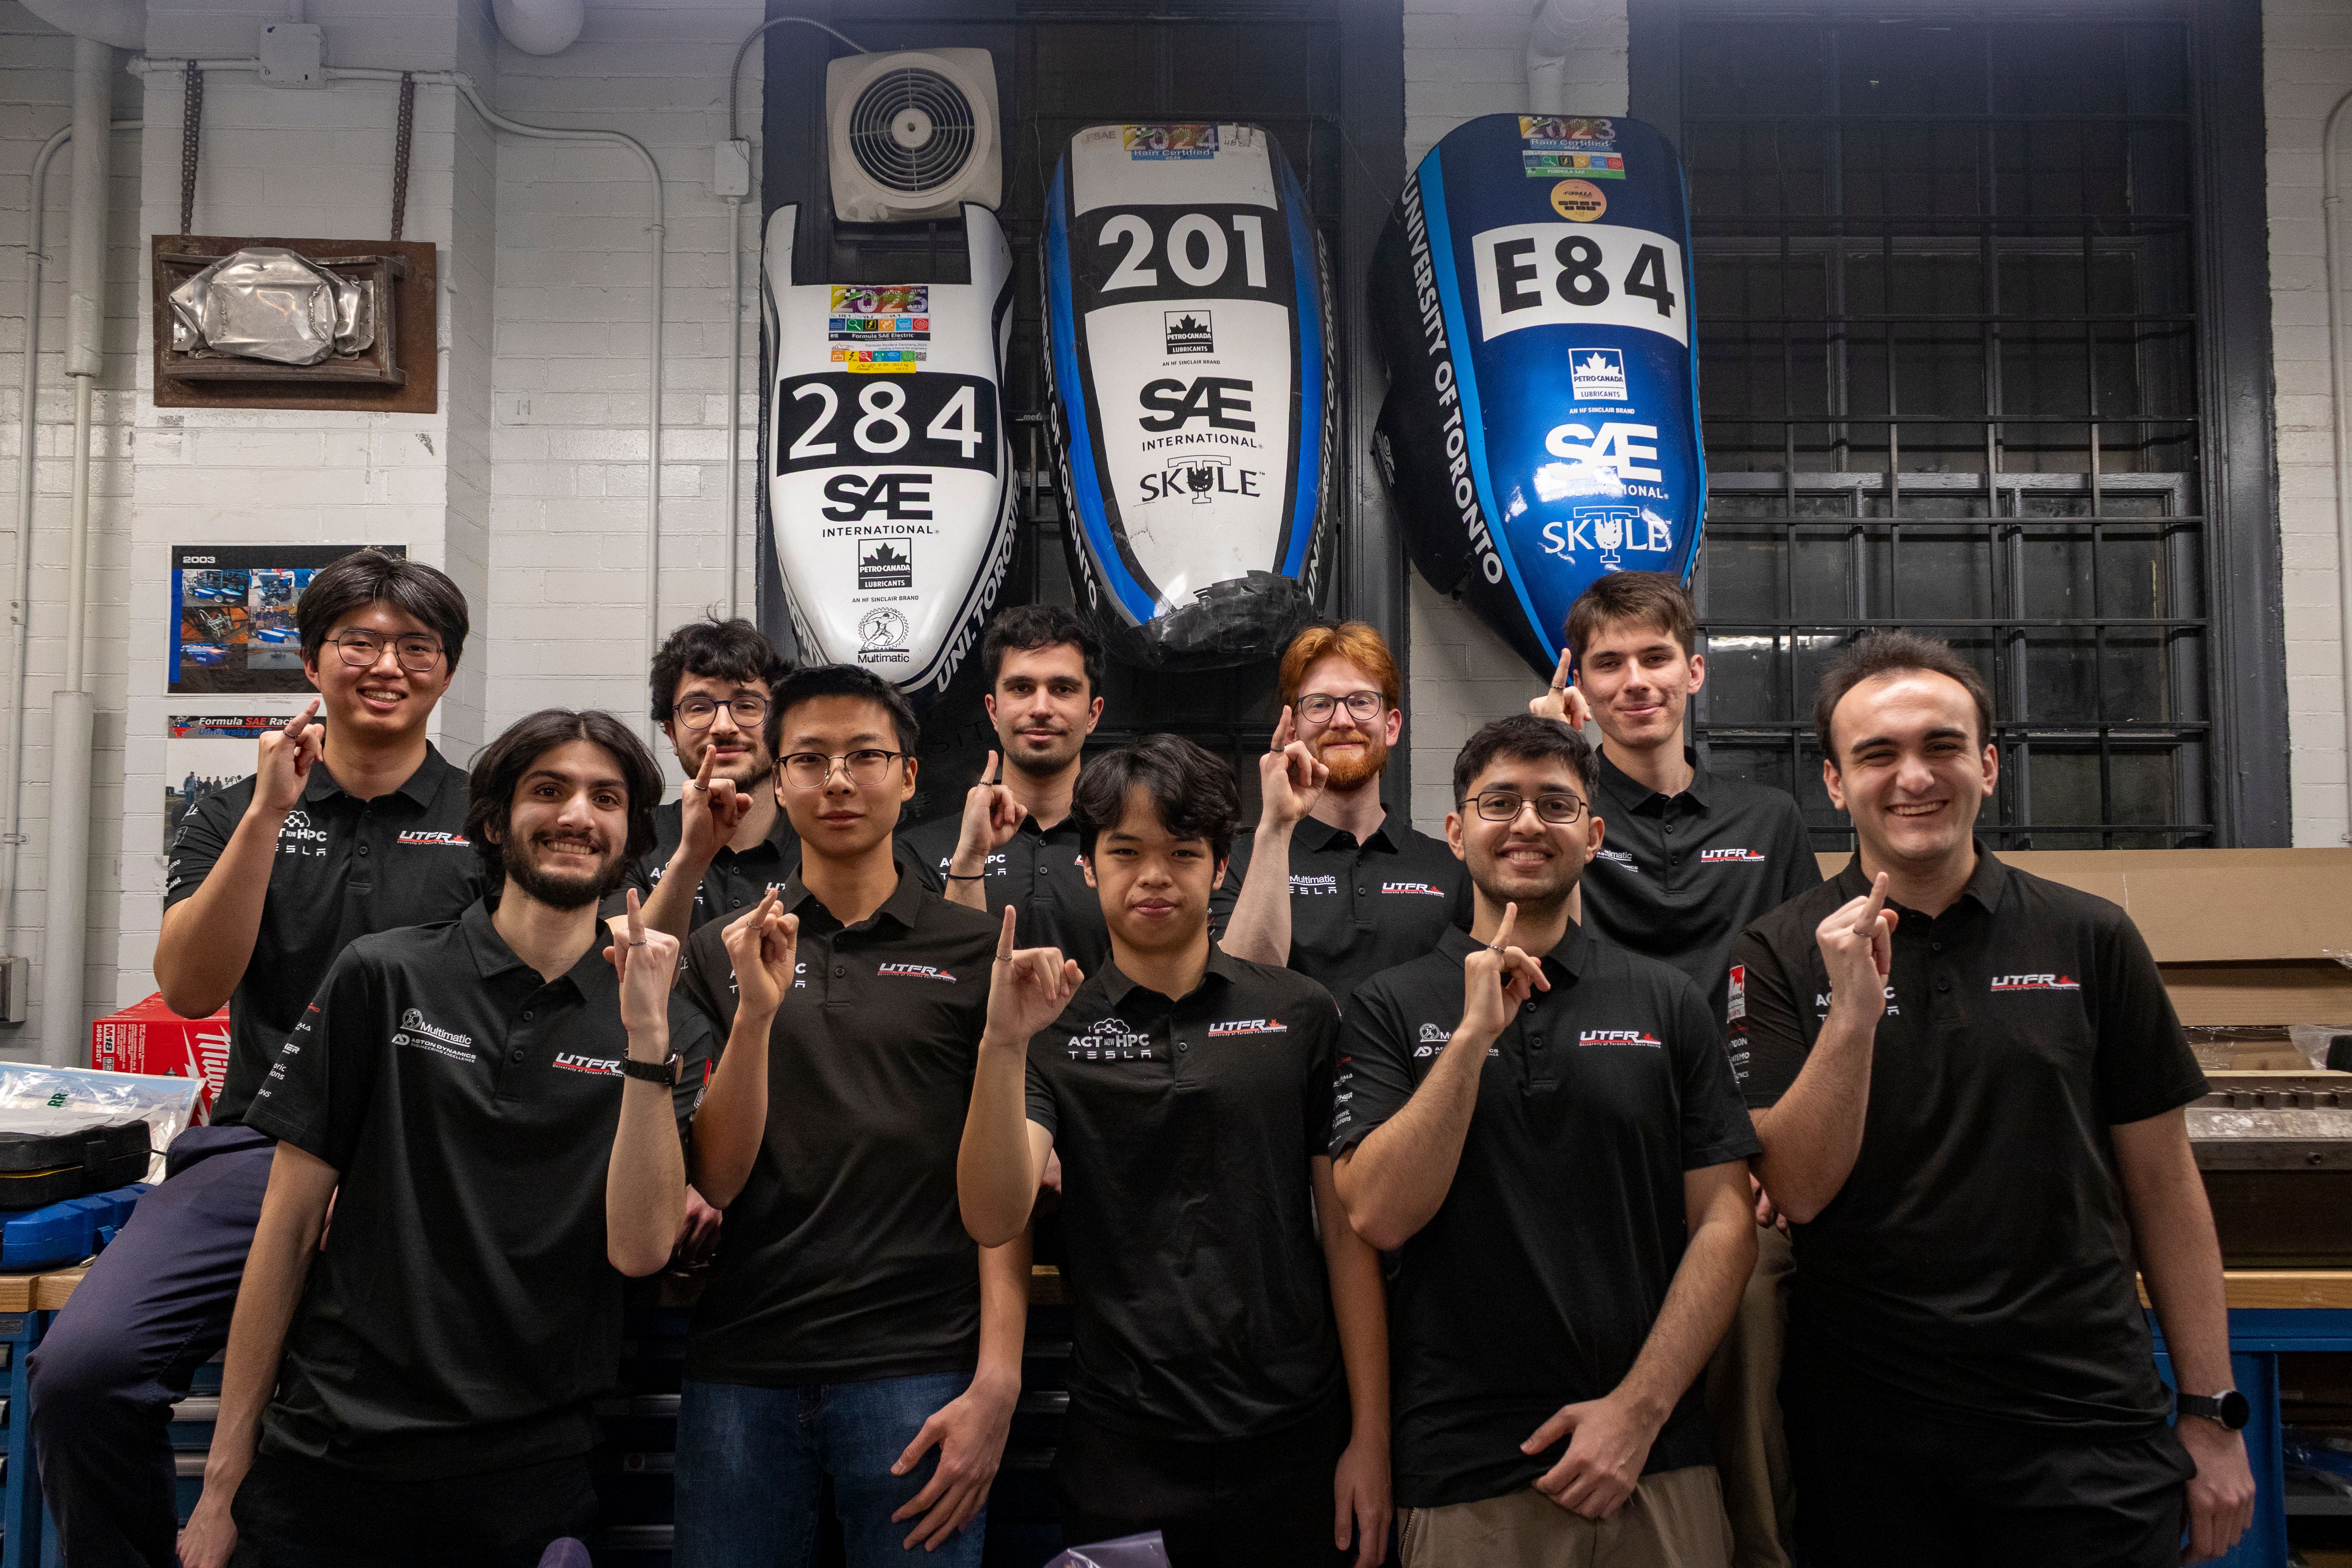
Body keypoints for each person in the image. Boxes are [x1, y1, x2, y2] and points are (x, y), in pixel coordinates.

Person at [1729, 631, 2255, 1566]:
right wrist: (1852, 1011)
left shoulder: (2090, 936)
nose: (1912, 776)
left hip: (2080, 1425)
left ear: (1987, 764)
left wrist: (2210, 1414)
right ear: (1834, 783)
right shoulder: (1775, 951)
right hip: (1866, 1440)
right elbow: (1795, 1187)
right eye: (1877, 754)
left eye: (1941, 745)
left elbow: (2164, 1187)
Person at [175, 708, 716, 1568]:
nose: (577, 814)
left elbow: (640, 1248)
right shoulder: (383, 974)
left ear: (631, 840)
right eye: (549, 789)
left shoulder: (669, 1025)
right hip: (329, 1453)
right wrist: (221, 1480)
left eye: (606, 797)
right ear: (494, 823)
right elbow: (287, 1228)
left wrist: (645, 1039)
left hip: (527, 1472)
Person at [31, 550, 481, 1568]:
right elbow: (192, 986)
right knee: (84, 1371)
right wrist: (271, 815)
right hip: (253, 1150)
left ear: (446, 669)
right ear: (312, 661)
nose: (387, 664)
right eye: (358, 641)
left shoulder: (488, 819)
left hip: (429, 1156)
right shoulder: (232, 809)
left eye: (416, 645)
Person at [1332, 714, 1757, 1567]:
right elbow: (1377, 1212)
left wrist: (1637, 1411)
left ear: (1592, 836)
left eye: (1555, 804)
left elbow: (1726, 1222)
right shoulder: (1387, 1004)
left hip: (1653, 1457)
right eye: (1499, 801)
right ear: (1456, 832)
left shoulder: (1667, 1000)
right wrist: (1468, 1040)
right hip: (1465, 1470)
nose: (1526, 822)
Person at [958, 734, 1392, 1568]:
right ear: (1088, 867)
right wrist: (1001, 1043)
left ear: (1221, 866)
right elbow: (991, 1212)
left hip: (1295, 1433)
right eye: (1125, 851)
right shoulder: (1052, 1027)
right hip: (1122, 1443)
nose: (1153, 875)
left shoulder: (1299, 1013)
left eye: (1182, 852)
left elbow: (1346, 1235)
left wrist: (1368, 1436)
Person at [674, 664, 1024, 1566]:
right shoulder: (724, 950)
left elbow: (999, 1192)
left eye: (865, 755)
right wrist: (753, 1012)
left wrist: (997, 1379)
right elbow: (714, 1171)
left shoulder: (977, 951)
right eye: (810, 758)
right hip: (743, 1362)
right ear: (777, 778)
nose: (837, 780)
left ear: (908, 777)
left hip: (918, 1364)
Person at [1530, 572, 1817, 1568]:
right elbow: (1533, 949)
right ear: (1579, 682)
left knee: (1748, 1316)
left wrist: (1770, 1149)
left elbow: (1801, 990)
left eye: (1655, 657)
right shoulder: (1556, 812)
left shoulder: (1767, 818)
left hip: (1732, 1155)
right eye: (1607, 662)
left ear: (1693, 671)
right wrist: (1553, 774)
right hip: (1592, 1147)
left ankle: (1758, 1550)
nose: (1634, 680)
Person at [1216, 621, 1471, 1013]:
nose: (1342, 720)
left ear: (1391, 726)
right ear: (1292, 731)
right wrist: (1277, 827)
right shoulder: (1240, 863)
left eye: (1361, 701)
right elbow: (1240, 997)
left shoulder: (1452, 868)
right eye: (1319, 704)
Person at [902, 603, 1112, 974]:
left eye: (1063, 689)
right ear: (994, 710)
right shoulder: (919, 853)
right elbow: (932, 988)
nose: (1041, 708)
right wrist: (968, 862)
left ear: (1093, 713)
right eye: (1021, 688)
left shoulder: (1131, 846)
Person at [621, 615, 796, 941]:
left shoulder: (822, 837)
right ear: (671, 734)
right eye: (699, 708)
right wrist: (690, 860)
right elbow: (627, 963)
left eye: (747, 705)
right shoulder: (631, 837)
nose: (724, 726)